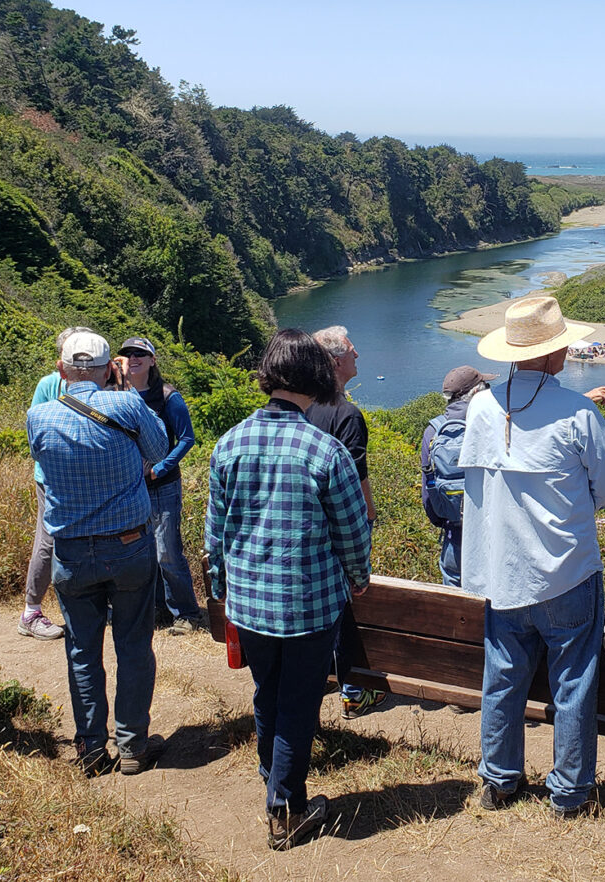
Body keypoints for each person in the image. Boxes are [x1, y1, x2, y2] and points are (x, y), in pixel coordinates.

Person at [460, 295, 605, 818]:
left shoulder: (482, 406)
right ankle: (570, 792)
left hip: (502, 571)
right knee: (573, 682)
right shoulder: (579, 411)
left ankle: (499, 778)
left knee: (503, 677)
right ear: (555, 354)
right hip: (568, 571)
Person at [206, 329, 372, 851]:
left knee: (267, 692)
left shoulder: (229, 442)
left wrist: (220, 590)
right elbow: (352, 532)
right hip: (309, 604)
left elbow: (216, 532)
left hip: (249, 602)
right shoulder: (326, 451)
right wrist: (359, 579)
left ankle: (270, 772)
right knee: (299, 702)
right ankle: (287, 808)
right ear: (315, 376)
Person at [27, 332, 169, 776]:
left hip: (70, 552)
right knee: (132, 645)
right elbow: (160, 449)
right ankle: (132, 747)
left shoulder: (38, 415)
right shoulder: (126, 405)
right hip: (128, 546)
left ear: (61, 368)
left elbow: (43, 467)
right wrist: (124, 394)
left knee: (82, 649)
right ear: (112, 368)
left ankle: (91, 746)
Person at [306, 325, 382, 718]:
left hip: (309, 526)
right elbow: (355, 474)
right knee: (350, 602)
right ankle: (354, 689)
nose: (358, 356)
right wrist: (369, 512)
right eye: (353, 351)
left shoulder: (303, 407)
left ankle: (323, 679)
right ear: (337, 361)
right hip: (343, 522)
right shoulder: (346, 413)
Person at [119, 336, 203, 635]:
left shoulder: (167, 397)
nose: (133, 358)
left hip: (163, 485)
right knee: (142, 550)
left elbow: (187, 439)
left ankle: (187, 613)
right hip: (129, 487)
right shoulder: (116, 396)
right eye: (128, 354)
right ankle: (158, 610)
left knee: (167, 550)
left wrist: (159, 468)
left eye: (140, 354)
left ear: (153, 360)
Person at [18, 326, 95, 641]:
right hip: (52, 479)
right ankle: (30, 611)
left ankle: (84, 603)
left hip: (86, 478)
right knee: (48, 541)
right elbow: (34, 435)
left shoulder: (100, 386)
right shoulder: (49, 385)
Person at [420, 365, 495, 588]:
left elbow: (428, 491)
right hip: (490, 534)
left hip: (454, 534)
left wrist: (445, 520)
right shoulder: (491, 423)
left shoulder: (434, 430)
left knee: (455, 603)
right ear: (476, 393)